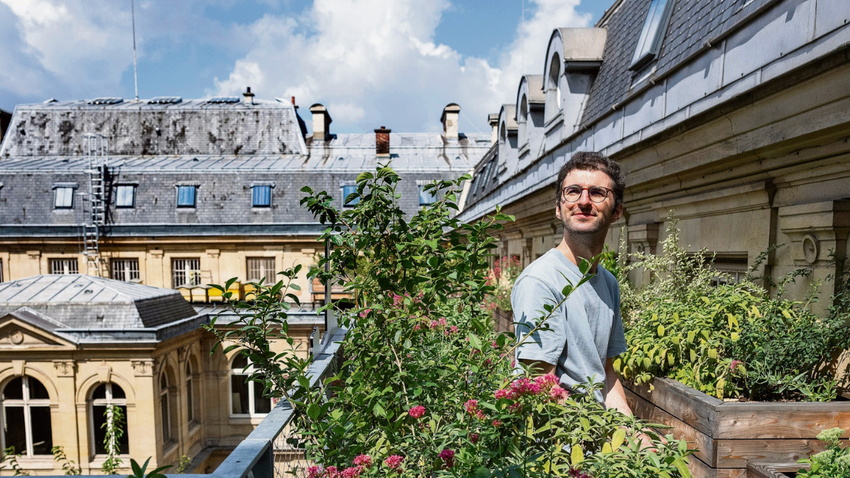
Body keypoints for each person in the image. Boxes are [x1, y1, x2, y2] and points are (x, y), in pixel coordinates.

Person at [511, 151, 632, 415]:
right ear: (558, 208)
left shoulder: (608, 283)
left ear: (617, 211)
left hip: (597, 433)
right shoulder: (540, 281)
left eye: (597, 192)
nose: (584, 201)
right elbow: (541, 389)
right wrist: (608, 435)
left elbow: (606, 375)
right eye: (573, 191)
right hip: (560, 437)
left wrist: (633, 433)